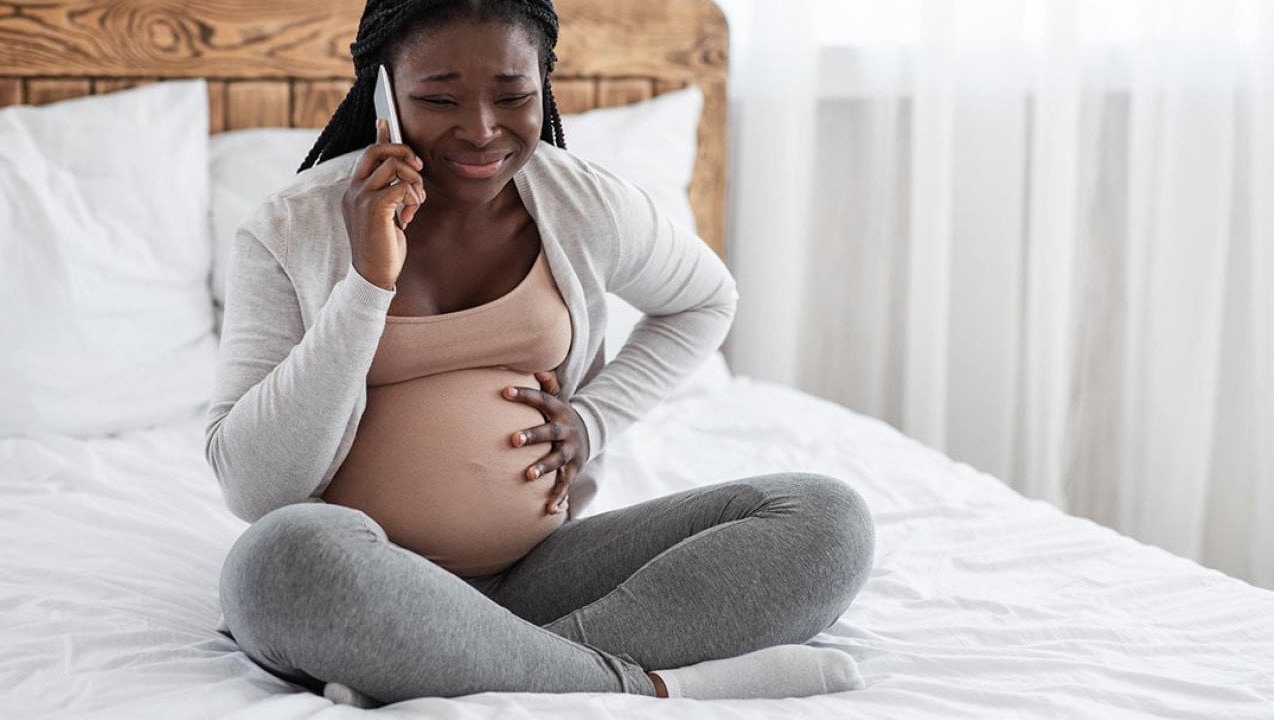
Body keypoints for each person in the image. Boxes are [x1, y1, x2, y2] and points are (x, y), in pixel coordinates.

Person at [207, 0, 875, 707]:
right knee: (280, 561)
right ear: (383, 92)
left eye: (513, 96)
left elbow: (705, 300)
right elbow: (257, 490)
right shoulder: (289, 229)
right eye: (438, 99)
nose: (481, 130)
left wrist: (592, 421)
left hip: (542, 572)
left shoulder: (580, 202)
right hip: (362, 569)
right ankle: (646, 684)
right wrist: (369, 280)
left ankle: (453, 659)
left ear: (544, 84)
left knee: (825, 517)